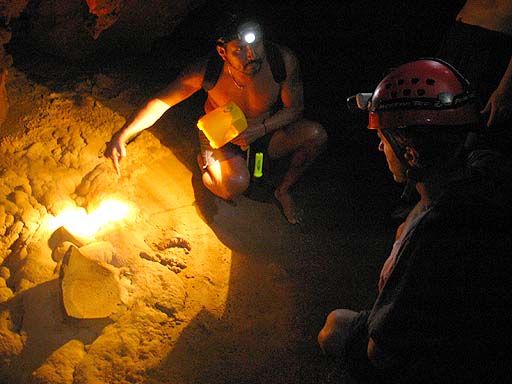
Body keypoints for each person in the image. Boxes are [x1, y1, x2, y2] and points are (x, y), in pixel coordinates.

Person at [319, 59, 512, 383]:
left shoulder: (434, 241)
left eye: (384, 138)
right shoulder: (485, 167)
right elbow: (428, 201)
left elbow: (379, 355)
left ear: (411, 155)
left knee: (334, 330)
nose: (380, 147)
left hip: (450, 360)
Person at [105, 14, 327, 224]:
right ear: (223, 52)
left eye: (256, 44)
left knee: (315, 136)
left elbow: (295, 108)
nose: (251, 55)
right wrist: (123, 135)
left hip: (264, 130)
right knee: (234, 186)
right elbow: (161, 102)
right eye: (239, 49)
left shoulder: (282, 61)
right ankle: (206, 164)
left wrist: (261, 129)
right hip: (221, 137)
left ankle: (283, 191)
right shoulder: (207, 71)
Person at [436, 0, 512, 152]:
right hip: (459, 39)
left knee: (470, 142)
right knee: (439, 134)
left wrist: (506, 88)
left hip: (491, 47)